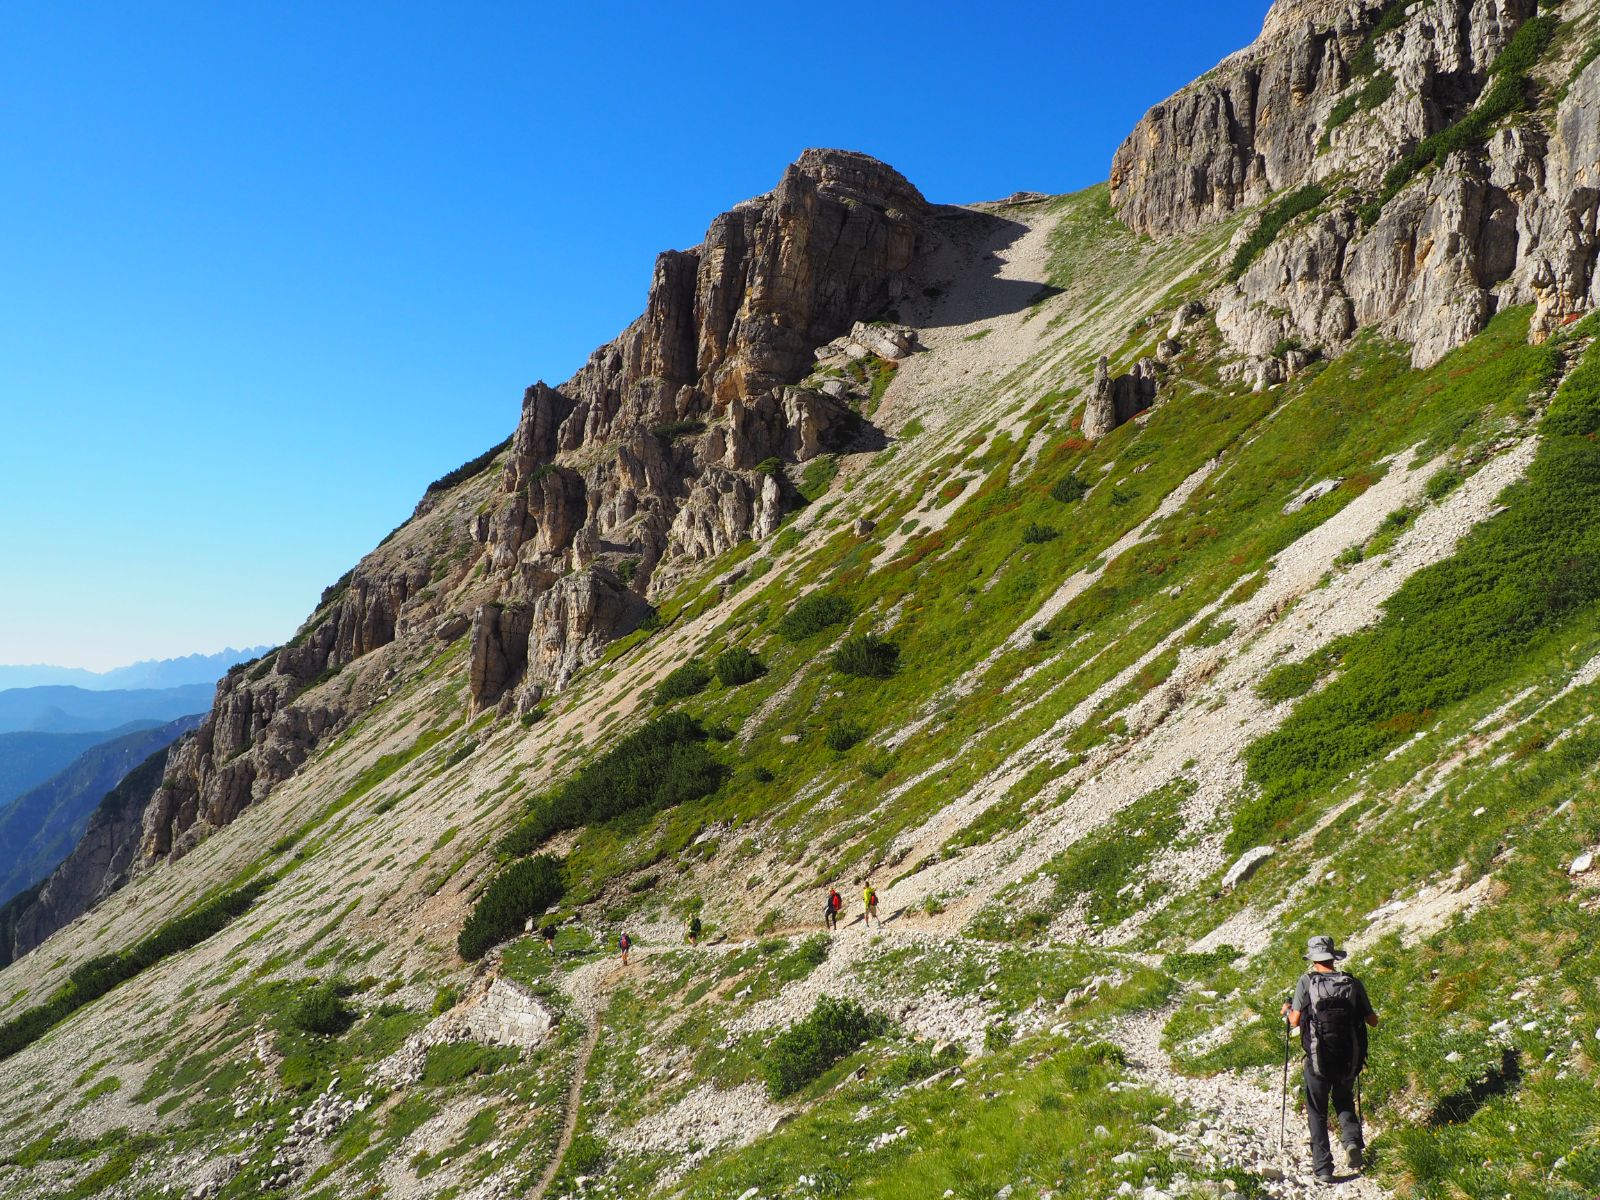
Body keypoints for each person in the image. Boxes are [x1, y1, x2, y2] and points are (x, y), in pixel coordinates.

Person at [1281, 935, 1378, 1184]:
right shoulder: (1351, 983)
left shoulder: (1307, 982)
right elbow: (1372, 1020)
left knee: (1317, 1111)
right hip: (1347, 1057)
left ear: (1313, 959)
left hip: (1317, 1059)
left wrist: (1288, 1010)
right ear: (1334, 958)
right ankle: (1351, 1142)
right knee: (1344, 1100)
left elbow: (1294, 1021)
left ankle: (1323, 1168)